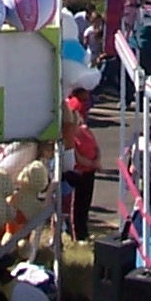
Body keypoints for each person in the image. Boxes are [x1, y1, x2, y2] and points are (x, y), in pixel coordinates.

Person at [60, 101, 100, 243]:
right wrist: (90, 163)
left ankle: (84, 233)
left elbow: (95, 146)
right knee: (74, 207)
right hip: (78, 173)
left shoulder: (85, 130)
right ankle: (76, 236)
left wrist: (96, 162)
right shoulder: (70, 137)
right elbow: (76, 156)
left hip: (90, 172)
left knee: (85, 205)